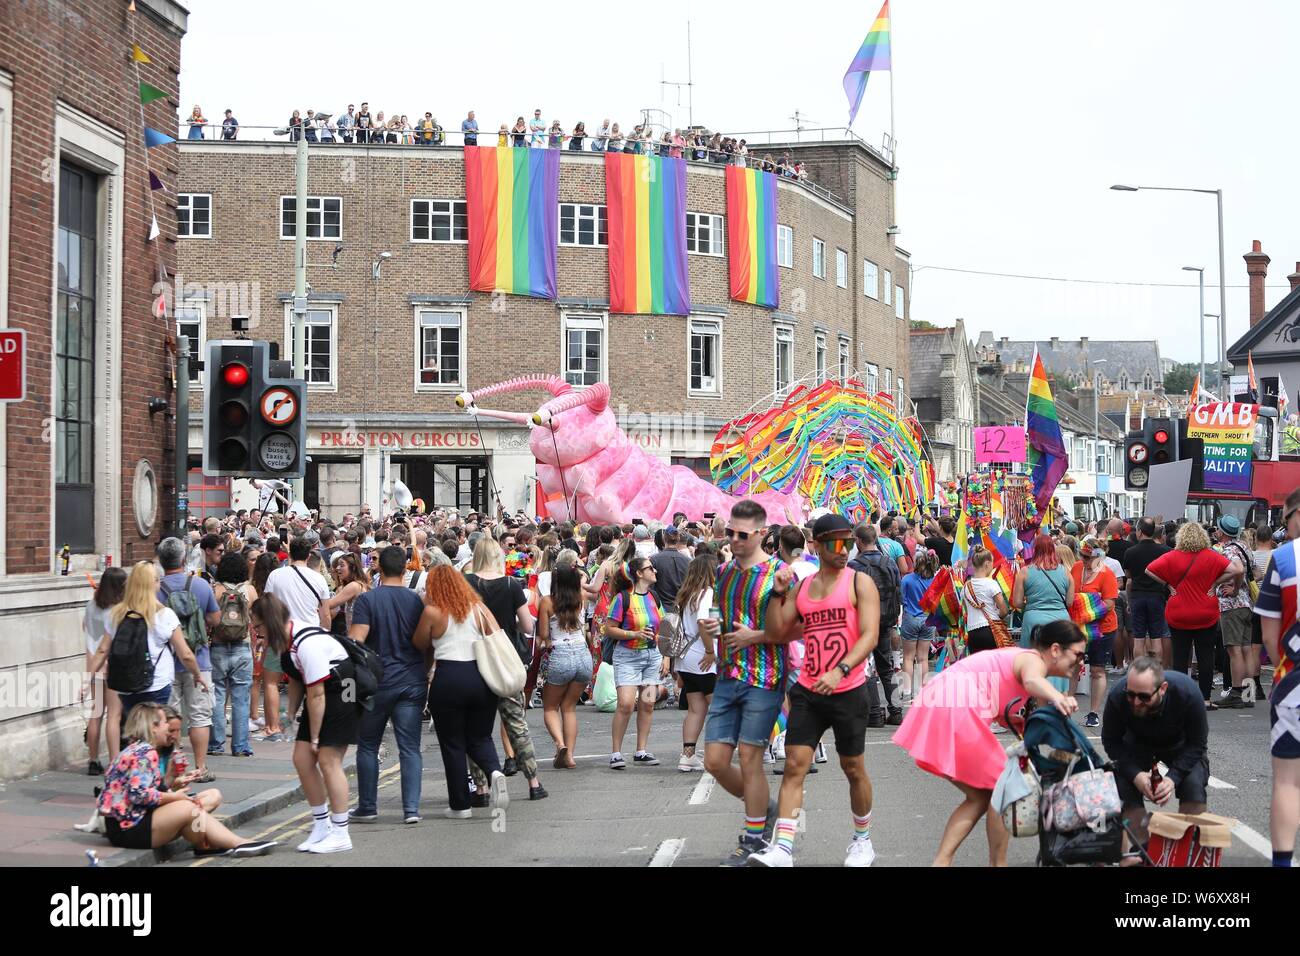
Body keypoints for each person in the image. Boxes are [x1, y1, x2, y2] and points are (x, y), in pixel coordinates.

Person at [895, 619, 1085, 866]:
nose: (1080, 662)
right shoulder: (1033, 660)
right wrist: (1059, 697)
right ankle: (998, 864)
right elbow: (1031, 681)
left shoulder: (1025, 662)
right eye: (1078, 655)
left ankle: (941, 862)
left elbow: (1010, 708)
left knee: (981, 797)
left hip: (944, 699)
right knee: (1003, 787)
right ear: (1056, 649)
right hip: (956, 703)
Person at [747, 514, 881, 867]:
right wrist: (777, 592)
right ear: (817, 545)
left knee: (853, 767)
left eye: (849, 542)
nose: (845, 550)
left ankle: (862, 840)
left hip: (849, 687)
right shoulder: (802, 588)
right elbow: (776, 631)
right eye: (837, 543)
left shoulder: (859, 583)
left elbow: (870, 635)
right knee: (794, 765)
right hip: (809, 688)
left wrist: (841, 670)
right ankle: (783, 849)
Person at [698, 499, 789, 865]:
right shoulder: (723, 572)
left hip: (765, 678)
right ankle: (764, 808)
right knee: (715, 762)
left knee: (750, 757)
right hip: (726, 675)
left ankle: (754, 838)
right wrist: (711, 629)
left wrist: (755, 636)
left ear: (762, 534)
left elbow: (792, 630)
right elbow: (720, 615)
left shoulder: (781, 575)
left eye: (741, 534)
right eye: (730, 532)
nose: (733, 539)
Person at [98, 703, 275, 856]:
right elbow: (140, 795)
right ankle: (236, 843)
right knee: (188, 808)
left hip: (131, 821)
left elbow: (149, 791)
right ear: (153, 727)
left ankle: (206, 845)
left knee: (199, 802)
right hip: (128, 828)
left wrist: (175, 788)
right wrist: (175, 797)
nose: (168, 728)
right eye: (165, 723)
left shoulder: (139, 749)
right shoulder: (145, 754)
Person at [255, 592, 358, 853]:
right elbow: (298, 677)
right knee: (302, 759)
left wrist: (314, 737)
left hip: (341, 690)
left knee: (327, 759)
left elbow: (317, 693)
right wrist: (291, 714)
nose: (256, 633)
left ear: (270, 622)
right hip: (321, 692)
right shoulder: (287, 640)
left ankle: (340, 831)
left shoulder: (306, 642)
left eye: (257, 626)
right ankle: (321, 825)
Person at [415, 566, 512, 818]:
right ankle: (494, 771)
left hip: (448, 678)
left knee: (452, 744)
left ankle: (460, 806)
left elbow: (419, 643)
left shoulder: (433, 612)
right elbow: (496, 634)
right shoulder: (478, 608)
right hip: (480, 677)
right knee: (480, 737)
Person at [86, 562, 208, 747]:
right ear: (155, 583)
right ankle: (152, 768)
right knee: (155, 732)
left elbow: (103, 650)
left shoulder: (116, 614)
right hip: (156, 683)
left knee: (135, 730)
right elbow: (186, 654)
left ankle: (134, 764)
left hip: (127, 686)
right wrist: (197, 675)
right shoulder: (164, 615)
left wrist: (87, 680)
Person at [349, 546, 428, 825]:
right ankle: (411, 810)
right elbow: (426, 641)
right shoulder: (417, 601)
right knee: (410, 747)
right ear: (405, 569)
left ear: (378, 568)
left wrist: (349, 688)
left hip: (377, 683)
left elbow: (356, 643)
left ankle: (368, 807)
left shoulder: (367, 601)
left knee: (368, 745)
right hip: (412, 679)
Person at [465, 537, 546, 799]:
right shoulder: (511, 585)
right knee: (516, 723)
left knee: (475, 728)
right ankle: (533, 782)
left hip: (474, 659)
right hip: (506, 660)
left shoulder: (465, 584)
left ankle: (481, 787)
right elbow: (527, 626)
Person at [1102, 657, 1210, 850]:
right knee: (1122, 783)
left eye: (1143, 697)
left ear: (1163, 688)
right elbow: (1111, 742)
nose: (1135, 702)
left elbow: (1197, 743)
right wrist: (1136, 775)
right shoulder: (1118, 695)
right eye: (1131, 694)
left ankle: (1189, 848)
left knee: (1193, 784)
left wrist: (1172, 778)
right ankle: (1140, 849)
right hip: (1136, 744)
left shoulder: (1188, 693)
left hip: (1179, 745)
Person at [1145, 522, 1241, 708]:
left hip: (1178, 612)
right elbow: (1237, 570)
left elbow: (1149, 570)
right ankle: (1205, 699)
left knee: (1180, 657)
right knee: (1205, 656)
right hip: (1206, 612)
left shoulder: (1171, 556)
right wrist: (1215, 583)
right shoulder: (1211, 556)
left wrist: (1167, 585)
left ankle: (1180, 699)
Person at [1255, 489, 1300, 868]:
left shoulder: (1285, 558)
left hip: (1295, 683)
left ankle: (1282, 863)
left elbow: (1270, 638)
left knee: (1288, 780)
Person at [156, 537, 220, 780]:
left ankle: (171, 769)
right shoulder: (201, 586)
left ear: (162, 561)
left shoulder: (157, 590)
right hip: (199, 660)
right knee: (200, 716)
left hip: (166, 662)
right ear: (183, 559)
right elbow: (215, 619)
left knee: (167, 717)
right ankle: (200, 767)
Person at [603, 555, 669, 768]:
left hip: (652, 658)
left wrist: (666, 656)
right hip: (628, 658)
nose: (655, 571)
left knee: (648, 703)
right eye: (651, 568)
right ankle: (616, 753)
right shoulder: (623, 598)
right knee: (626, 703)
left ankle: (641, 750)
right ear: (639, 573)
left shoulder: (654, 597)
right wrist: (634, 634)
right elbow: (609, 629)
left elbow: (665, 629)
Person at [537, 557, 593, 770]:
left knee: (550, 707)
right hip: (582, 653)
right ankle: (569, 756)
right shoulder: (582, 598)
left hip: (559, 653)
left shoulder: (547, 602)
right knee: (569, 708)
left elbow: (543, 634)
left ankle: (560, 745)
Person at [848, 523, 903, 725]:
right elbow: (899, 591)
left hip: (862, 620)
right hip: (886, 619)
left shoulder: (854, 566)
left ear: (859, 541)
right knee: (886, 667)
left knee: (867, 666)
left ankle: (874, 713)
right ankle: (896, 711)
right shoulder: (890, 562)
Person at [672, 554, 719, 773]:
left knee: (695, 709)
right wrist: (711, 651)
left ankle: (687, 755)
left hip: (685, 659)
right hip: (703, 658)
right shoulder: (706, 593)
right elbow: (703, 622)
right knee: (721, 708)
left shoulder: (686, 595)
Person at [1013, 533, 1075, 696]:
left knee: (1033, 661)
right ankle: (1060, 697)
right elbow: (1069, 602)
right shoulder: (1066, 572)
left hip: (1034, 621)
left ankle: (1034, 697)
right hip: (1060, 621)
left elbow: (1017, 602)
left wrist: (1031, 603)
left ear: (1035, 550)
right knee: (1059, 659)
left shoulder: (1025, 572)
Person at [209, 552, 257, 757]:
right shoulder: (250, 590)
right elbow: (253, 620)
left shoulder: (216, 590)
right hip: (242, 647)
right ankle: (240, 746)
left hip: (218, 647)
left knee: (218, 697)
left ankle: (216, 744)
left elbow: (209, 619)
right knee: (241, 699)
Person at [82, 567, 127, 774]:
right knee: (114, 716)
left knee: (96, 712)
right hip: (112, 664)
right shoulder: (119, 610)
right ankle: (114, 762)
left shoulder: (91, 605)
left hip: (92, 662)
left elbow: (85, 627)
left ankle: (92, 760)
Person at [1212, 515, 1256, 708]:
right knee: (1246, 650)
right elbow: (1256, 572)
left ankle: (1236, 693)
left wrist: (1233, 587)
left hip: (1232, 605)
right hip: (1247, 605)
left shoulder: (1228, 551)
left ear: (1222, 532)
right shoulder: (1245, 547)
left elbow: (1237, 571)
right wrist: (1243, 586)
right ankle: (1248, 694)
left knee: (1234, 650)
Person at [1123, 516, 1172, 667]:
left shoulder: (1130, 552)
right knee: (1156, 637)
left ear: (1139, 532)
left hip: (1138, 596)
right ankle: (1157, 670)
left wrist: (1129, 601)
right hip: (1157, 597)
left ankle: (1139, 671)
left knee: (1139, 639)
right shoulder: (1165, 551)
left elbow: (1128, 576)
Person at [264, 533, 332, 636]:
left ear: (290, 555)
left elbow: (267, 607)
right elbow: (326, 615)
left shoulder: (275, 575)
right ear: (308, 556)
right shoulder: (319, 579)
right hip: (309, 635)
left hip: (282, 635)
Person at [898, 550, 938, 703]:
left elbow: (902, 599)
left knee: (908, 657)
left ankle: (907, 692)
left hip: (911, 618)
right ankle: (924, 691)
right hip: (928, 620)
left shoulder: (907, 580)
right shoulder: (935, 580)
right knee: (923, 659)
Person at [962, 548, 1009, 655]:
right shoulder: (991, 583)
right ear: (987, 564)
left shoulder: (965, 587)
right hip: (991, 631)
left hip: (972, 632)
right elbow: (1004, 610)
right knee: (993, 666)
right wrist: (998, 615)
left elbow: (966, 610)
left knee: (978, 667)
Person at [325, 551, 368, 636]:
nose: (337, 568)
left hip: (357, 636)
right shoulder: (356, 584)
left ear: (353, 568)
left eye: (342, 565)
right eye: (338, 565)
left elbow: (329, 604)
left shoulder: (354, 586)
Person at [650, 524, 691, 609]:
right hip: (680, 607)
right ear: (678, 539)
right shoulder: (687, 561)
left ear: (664, 539)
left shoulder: (654, 559)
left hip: (661, 608)